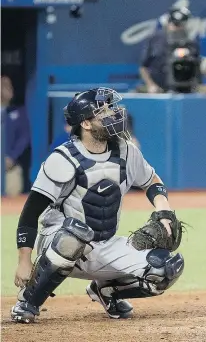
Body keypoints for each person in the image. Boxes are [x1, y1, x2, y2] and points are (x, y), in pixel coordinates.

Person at [11, 87, 184, 324]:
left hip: (104, 244)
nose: (113, 114)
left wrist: (163, 210)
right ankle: (28, 301)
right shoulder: (63, 159)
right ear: (86, 124)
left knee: (165, 268)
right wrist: (24, 261)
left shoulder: (125, 151)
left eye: (111, 108)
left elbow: (151, 180)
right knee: (73, 235)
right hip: (57, 243)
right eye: (103, 111)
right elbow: (29, 215)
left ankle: (108, 292)